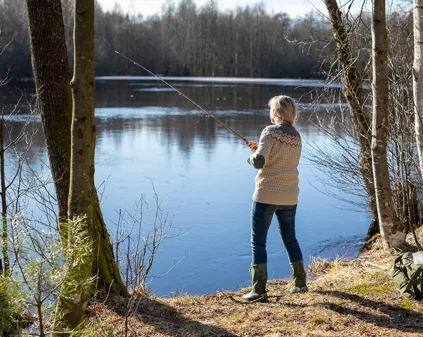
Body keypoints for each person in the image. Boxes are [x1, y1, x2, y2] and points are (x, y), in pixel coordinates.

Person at [242, 95, 307, 302]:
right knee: (290, 239)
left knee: (258, 242)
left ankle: (259, 290)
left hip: (267, 193)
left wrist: (251, 157)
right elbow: (278, 159)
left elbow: (260, 162)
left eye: (272, 110)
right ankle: (300, 283)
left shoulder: (269, 132)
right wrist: (258, 148)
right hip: (290, 195)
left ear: (276, 112)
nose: (270, 113)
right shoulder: (296, 136)